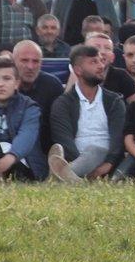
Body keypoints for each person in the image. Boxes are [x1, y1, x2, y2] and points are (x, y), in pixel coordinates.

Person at [47, 44, 125, 183]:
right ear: (78, 70)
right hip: (76, 159)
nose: (101, 65)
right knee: (89, 152)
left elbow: (118, 138)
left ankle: (62, 176)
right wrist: (82, 164)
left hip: (107, 161)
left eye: (101, 60)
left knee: (96, 150)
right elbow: (64, 139)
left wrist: (107, 164)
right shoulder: (63, 103)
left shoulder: (114, 101)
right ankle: (73, 176)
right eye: (93, 62)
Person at [11, 39, 65, 154]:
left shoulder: (52, 85)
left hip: (42, 150)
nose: (30, 66)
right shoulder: (2, 84)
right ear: (13, 61)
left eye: (35, 61)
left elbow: (60, 127)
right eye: (24, 60)